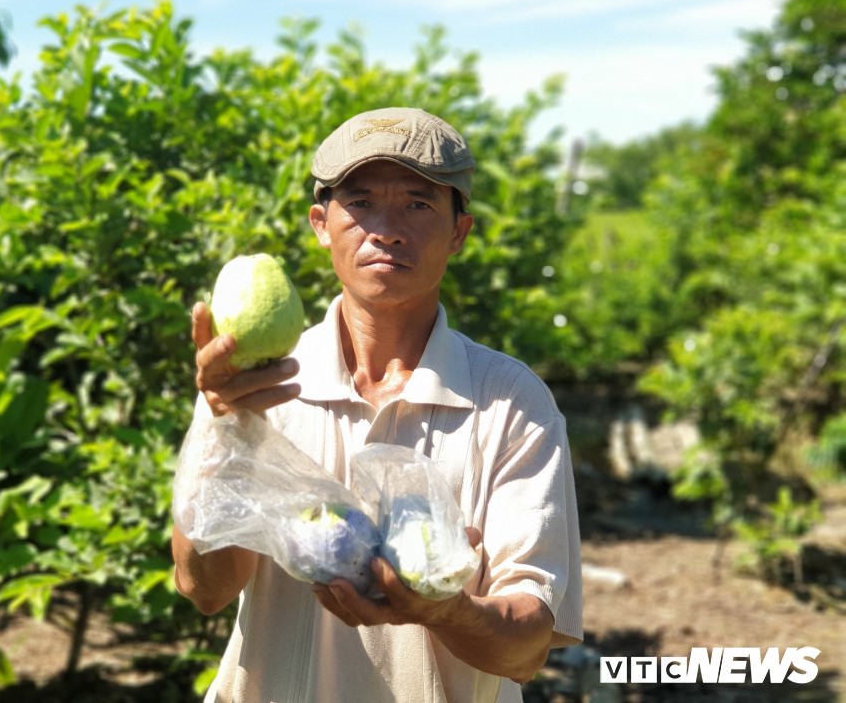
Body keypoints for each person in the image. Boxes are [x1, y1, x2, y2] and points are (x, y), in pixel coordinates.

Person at [172, 107, 583, 703]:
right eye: (360, 202)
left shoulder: (511, 401)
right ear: (321, 224)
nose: (385, 228)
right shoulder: (253, 386)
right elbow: (201, 587)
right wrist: (227, 426)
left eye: (417, 204)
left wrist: (444, 612)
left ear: (459, 232)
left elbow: (526, 648)